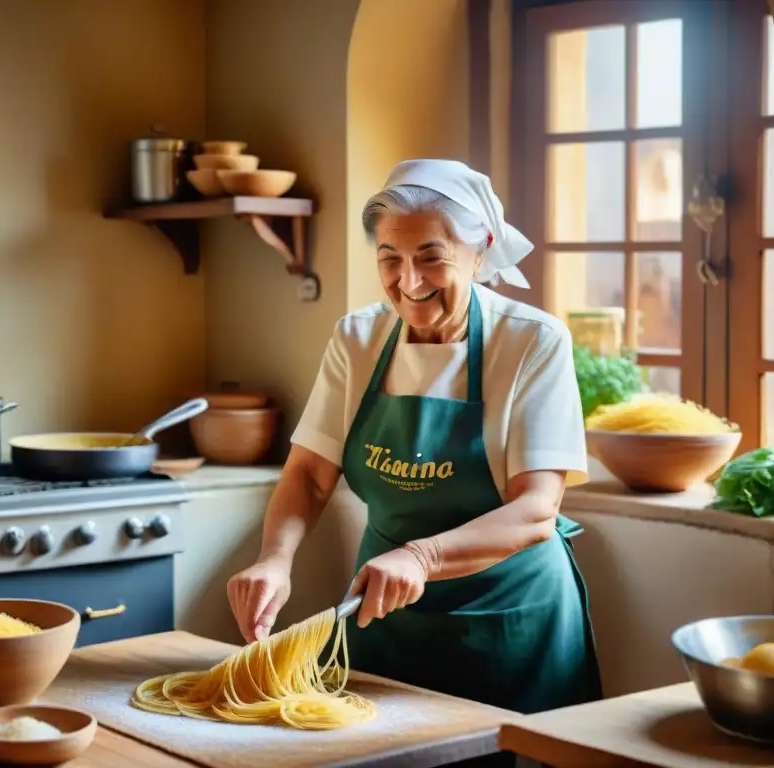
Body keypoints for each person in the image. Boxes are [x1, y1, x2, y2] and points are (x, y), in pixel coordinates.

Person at [226, 159, 601, 718]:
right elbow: (308, 472)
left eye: (431, 258)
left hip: (508, 621)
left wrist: (422, 557)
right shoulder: (358, 338)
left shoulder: (532, 342)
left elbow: (535, 511)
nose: (409, 283)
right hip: (385, 616)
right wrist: (274, 561)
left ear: (482, 250)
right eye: (390, 260)